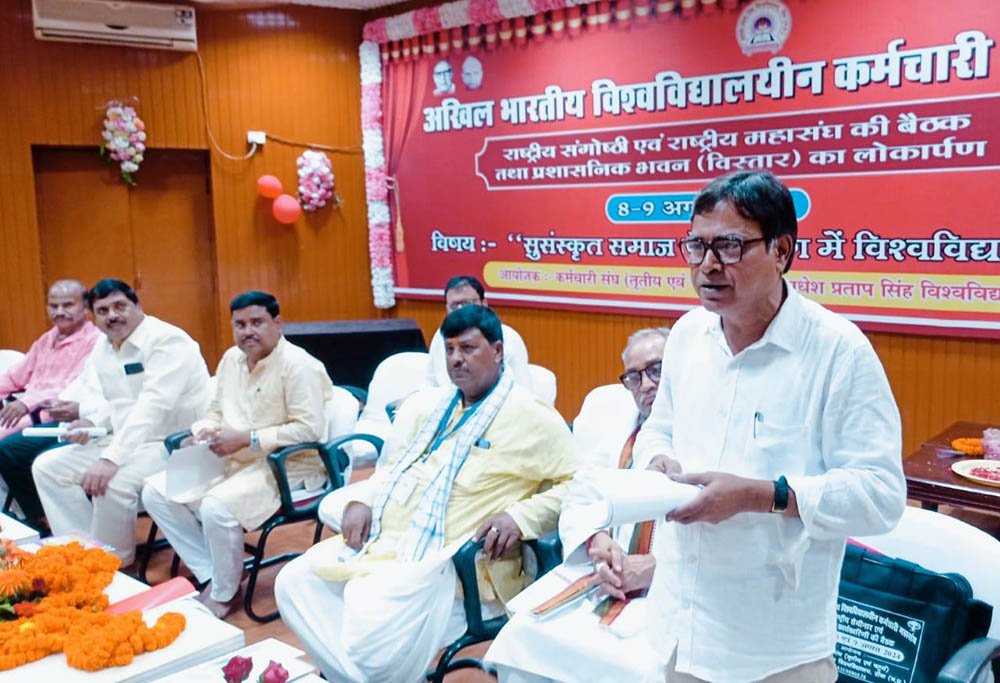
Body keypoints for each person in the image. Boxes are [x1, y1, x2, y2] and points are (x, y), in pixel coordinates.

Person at [599, 171, 905, 682]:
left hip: (773, 647)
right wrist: (658, 461)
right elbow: (659, 428)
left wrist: (761, 495)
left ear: (781, 251)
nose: (708, 266)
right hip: (677, 625)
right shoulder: (687, 334)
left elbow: (880, 494)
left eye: (730, 246)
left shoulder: (838, 352)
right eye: (697, 246)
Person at [274, 305, 578, 683]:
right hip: (386, 543)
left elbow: (578, 485)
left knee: (366, 616)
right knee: (293, 582)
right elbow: (393, 470)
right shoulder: (432, 407)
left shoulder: (533, 417)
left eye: (468, 348)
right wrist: (363, 500)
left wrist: (521, 517)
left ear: (498, 351)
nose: (456, 359)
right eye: (450, 349)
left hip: (454, 567)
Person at [486, 327, 669, 683]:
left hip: (672, 586)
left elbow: (729, 540)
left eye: (657, 370)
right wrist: (597, 541)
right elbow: (579, 496)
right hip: (605, 575)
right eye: (634, 377)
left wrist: (653, 569)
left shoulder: (709, 436)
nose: (646, 385)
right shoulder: (618, 431)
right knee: (523, 634)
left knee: (639, 667)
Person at [141, 291, 335, 618]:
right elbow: (216, 410)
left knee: (217, 506)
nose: (248, 332)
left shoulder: (299, 365)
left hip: (287, 465)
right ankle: (214, 574)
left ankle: (223, 593)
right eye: (240, 325)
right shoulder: (232, 359)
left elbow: (310, 430)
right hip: (232, 456)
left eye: (257, 322)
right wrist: (204, 429)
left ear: (277, 323)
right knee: (156, 493)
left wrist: (249, 438)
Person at [32, 278, 210, 567]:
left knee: (112, 481)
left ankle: (114, 563)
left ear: (138, 306)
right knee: (48, 467)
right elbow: (114, 401)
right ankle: (85, 550)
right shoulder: (104, 347)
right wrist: (90, 422)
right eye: (102, 311)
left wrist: (110, 458)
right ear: (94, 316)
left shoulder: (168, 341)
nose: (112, 316)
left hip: (177, 443)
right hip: (130, 440)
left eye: (120, 306)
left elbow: (152, 406)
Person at [0, 279, 100, 526]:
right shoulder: (48, 339)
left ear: (85, 307)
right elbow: (15, 376)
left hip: (60, 419)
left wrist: (27, 402)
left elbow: (69, 388)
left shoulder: (95, 341)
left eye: (68, 305)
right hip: (28, 416)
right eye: (53, 306)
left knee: (6, 449)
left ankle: (39, 518)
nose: (59, 311)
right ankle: (21, 517)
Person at [426, 275, 532, 392]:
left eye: (467, 303)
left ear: (484, 304)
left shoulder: (510, 338)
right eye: (454, 306)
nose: (460, 310)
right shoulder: (441, 336)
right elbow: (430, 384)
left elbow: (523, 389)